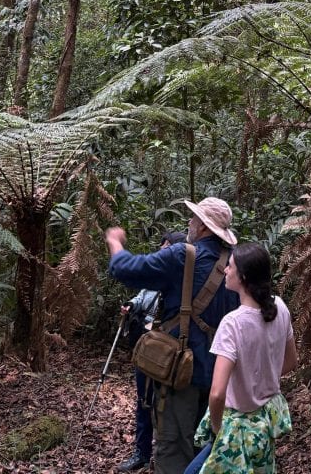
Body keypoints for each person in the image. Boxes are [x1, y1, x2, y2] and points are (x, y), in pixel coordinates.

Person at [105, 199, 241, 474]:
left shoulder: (183, 256)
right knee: (208, 449)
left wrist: (115, 243)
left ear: (202, 226)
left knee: (173, 447)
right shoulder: (238, 262)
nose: (189, 223)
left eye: (193, 219)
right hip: (223, 373)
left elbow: (128, 269)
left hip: (181, 371)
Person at [183, 243, 298, 474]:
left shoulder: (232, 323)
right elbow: (291, 362)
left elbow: (217, 393)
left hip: (236, 427)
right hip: (265, 422)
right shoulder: (281, 308)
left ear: (243, 276)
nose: (225, 270)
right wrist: (261, 381)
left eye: (230, 266)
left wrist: (218, 431)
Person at [118, 230, 188, 473]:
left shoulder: (179, 277)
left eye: (168, 246)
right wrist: (132, 305)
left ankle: (164, 453)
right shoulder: (156, 272)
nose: (162, 250)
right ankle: (143, 452)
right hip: (148, 346)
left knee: (166, 403)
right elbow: (142, 296)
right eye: (162, 245)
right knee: (143, 399)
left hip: (169, 349)